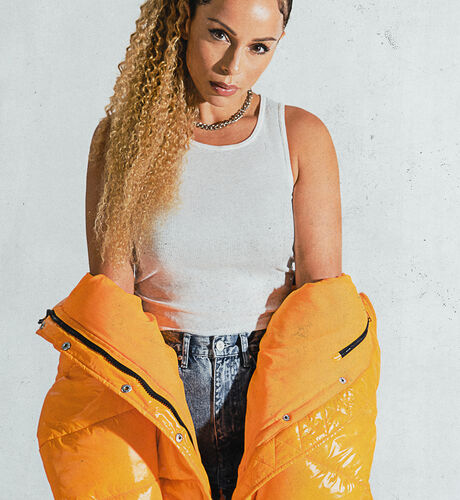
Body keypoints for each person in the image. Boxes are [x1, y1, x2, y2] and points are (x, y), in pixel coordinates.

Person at [36, 0, 380, 498]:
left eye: (259, 47)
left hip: (275, 391)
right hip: (158, 388)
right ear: (183, 21)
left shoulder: (300, 137)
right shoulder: (122, 140)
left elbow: (323, 306)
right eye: (219, 35)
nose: (233, 66)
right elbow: (113, 306)